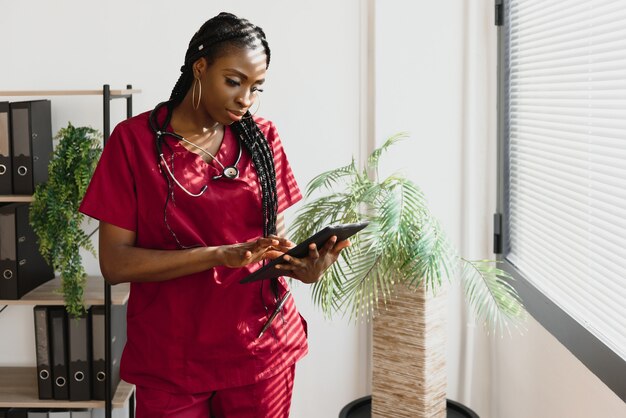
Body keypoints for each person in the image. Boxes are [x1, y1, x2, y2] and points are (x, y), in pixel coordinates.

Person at [79, 12, 350, 418]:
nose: (246, 99)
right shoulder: (133, 143)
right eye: (234, 81)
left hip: (260, 350)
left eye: (257, 87)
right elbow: (115, 263)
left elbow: (270, 248)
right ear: (200, 68)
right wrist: (216, 255)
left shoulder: (263, 140)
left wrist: (302, 268)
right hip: (171, 360)